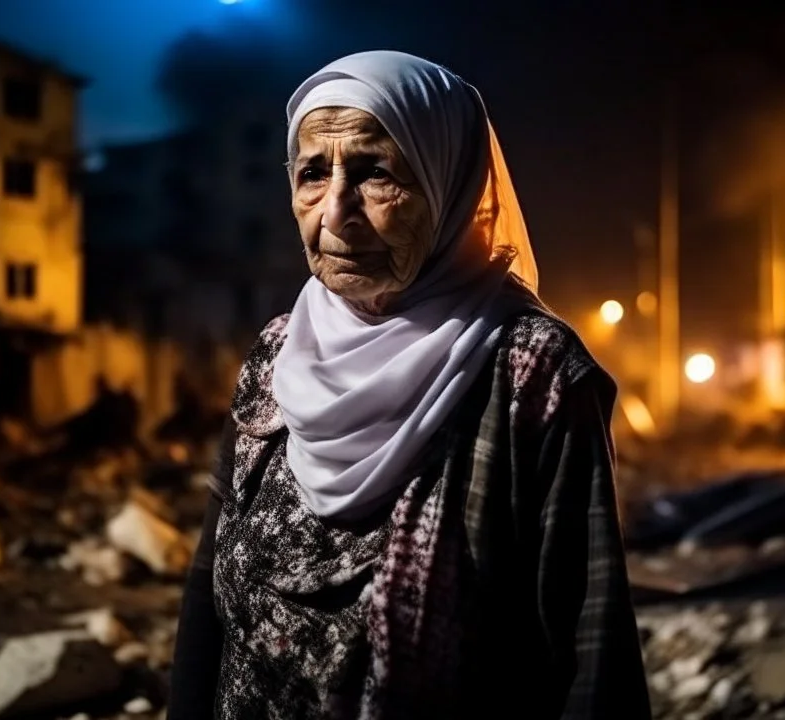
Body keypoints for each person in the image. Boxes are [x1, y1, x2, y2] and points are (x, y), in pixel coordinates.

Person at [168, 50, 649, 720]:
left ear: (448, 184)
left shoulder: (529, 374)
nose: (335, 212)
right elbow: (205, 603)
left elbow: (590, 650)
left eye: (375, 174)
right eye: (312, 173)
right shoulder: (277, 354)